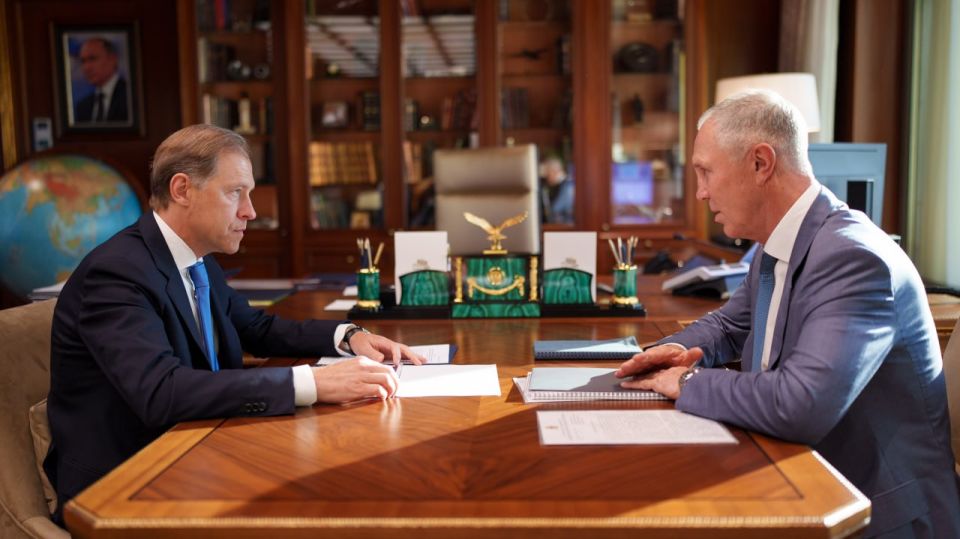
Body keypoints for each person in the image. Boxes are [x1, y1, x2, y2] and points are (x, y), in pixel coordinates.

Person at [616, 90, 960, 537]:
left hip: (876, 515)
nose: (700, 192)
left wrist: (687, 381)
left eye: (706, 172)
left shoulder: (854, 258)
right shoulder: (776, 244)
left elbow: (801, 404)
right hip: (804, 479)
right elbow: (729, 324)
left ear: (761, 163)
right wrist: (670, 352)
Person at [44, 124, 425, 525]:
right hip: (127, 486)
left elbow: (257, 328)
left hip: (199, 448)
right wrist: (312, 383)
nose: (250, 212)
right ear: (182, 189)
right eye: (235, 193)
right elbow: (160, 391)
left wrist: (348, 336)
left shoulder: (198, 258)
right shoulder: (118, 272)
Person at [73, 37, 129, 123]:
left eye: (92, 59)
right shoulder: (83, 107)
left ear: (112, 59)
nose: (86, 68)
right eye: (83, 61)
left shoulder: (130, 96)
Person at [540, 155, 574, 224]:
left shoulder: (567, 186)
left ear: (555, 171)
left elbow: (555, 209)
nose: (546, 176)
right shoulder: (559, 185)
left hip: (565, 226)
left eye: (548, 172)